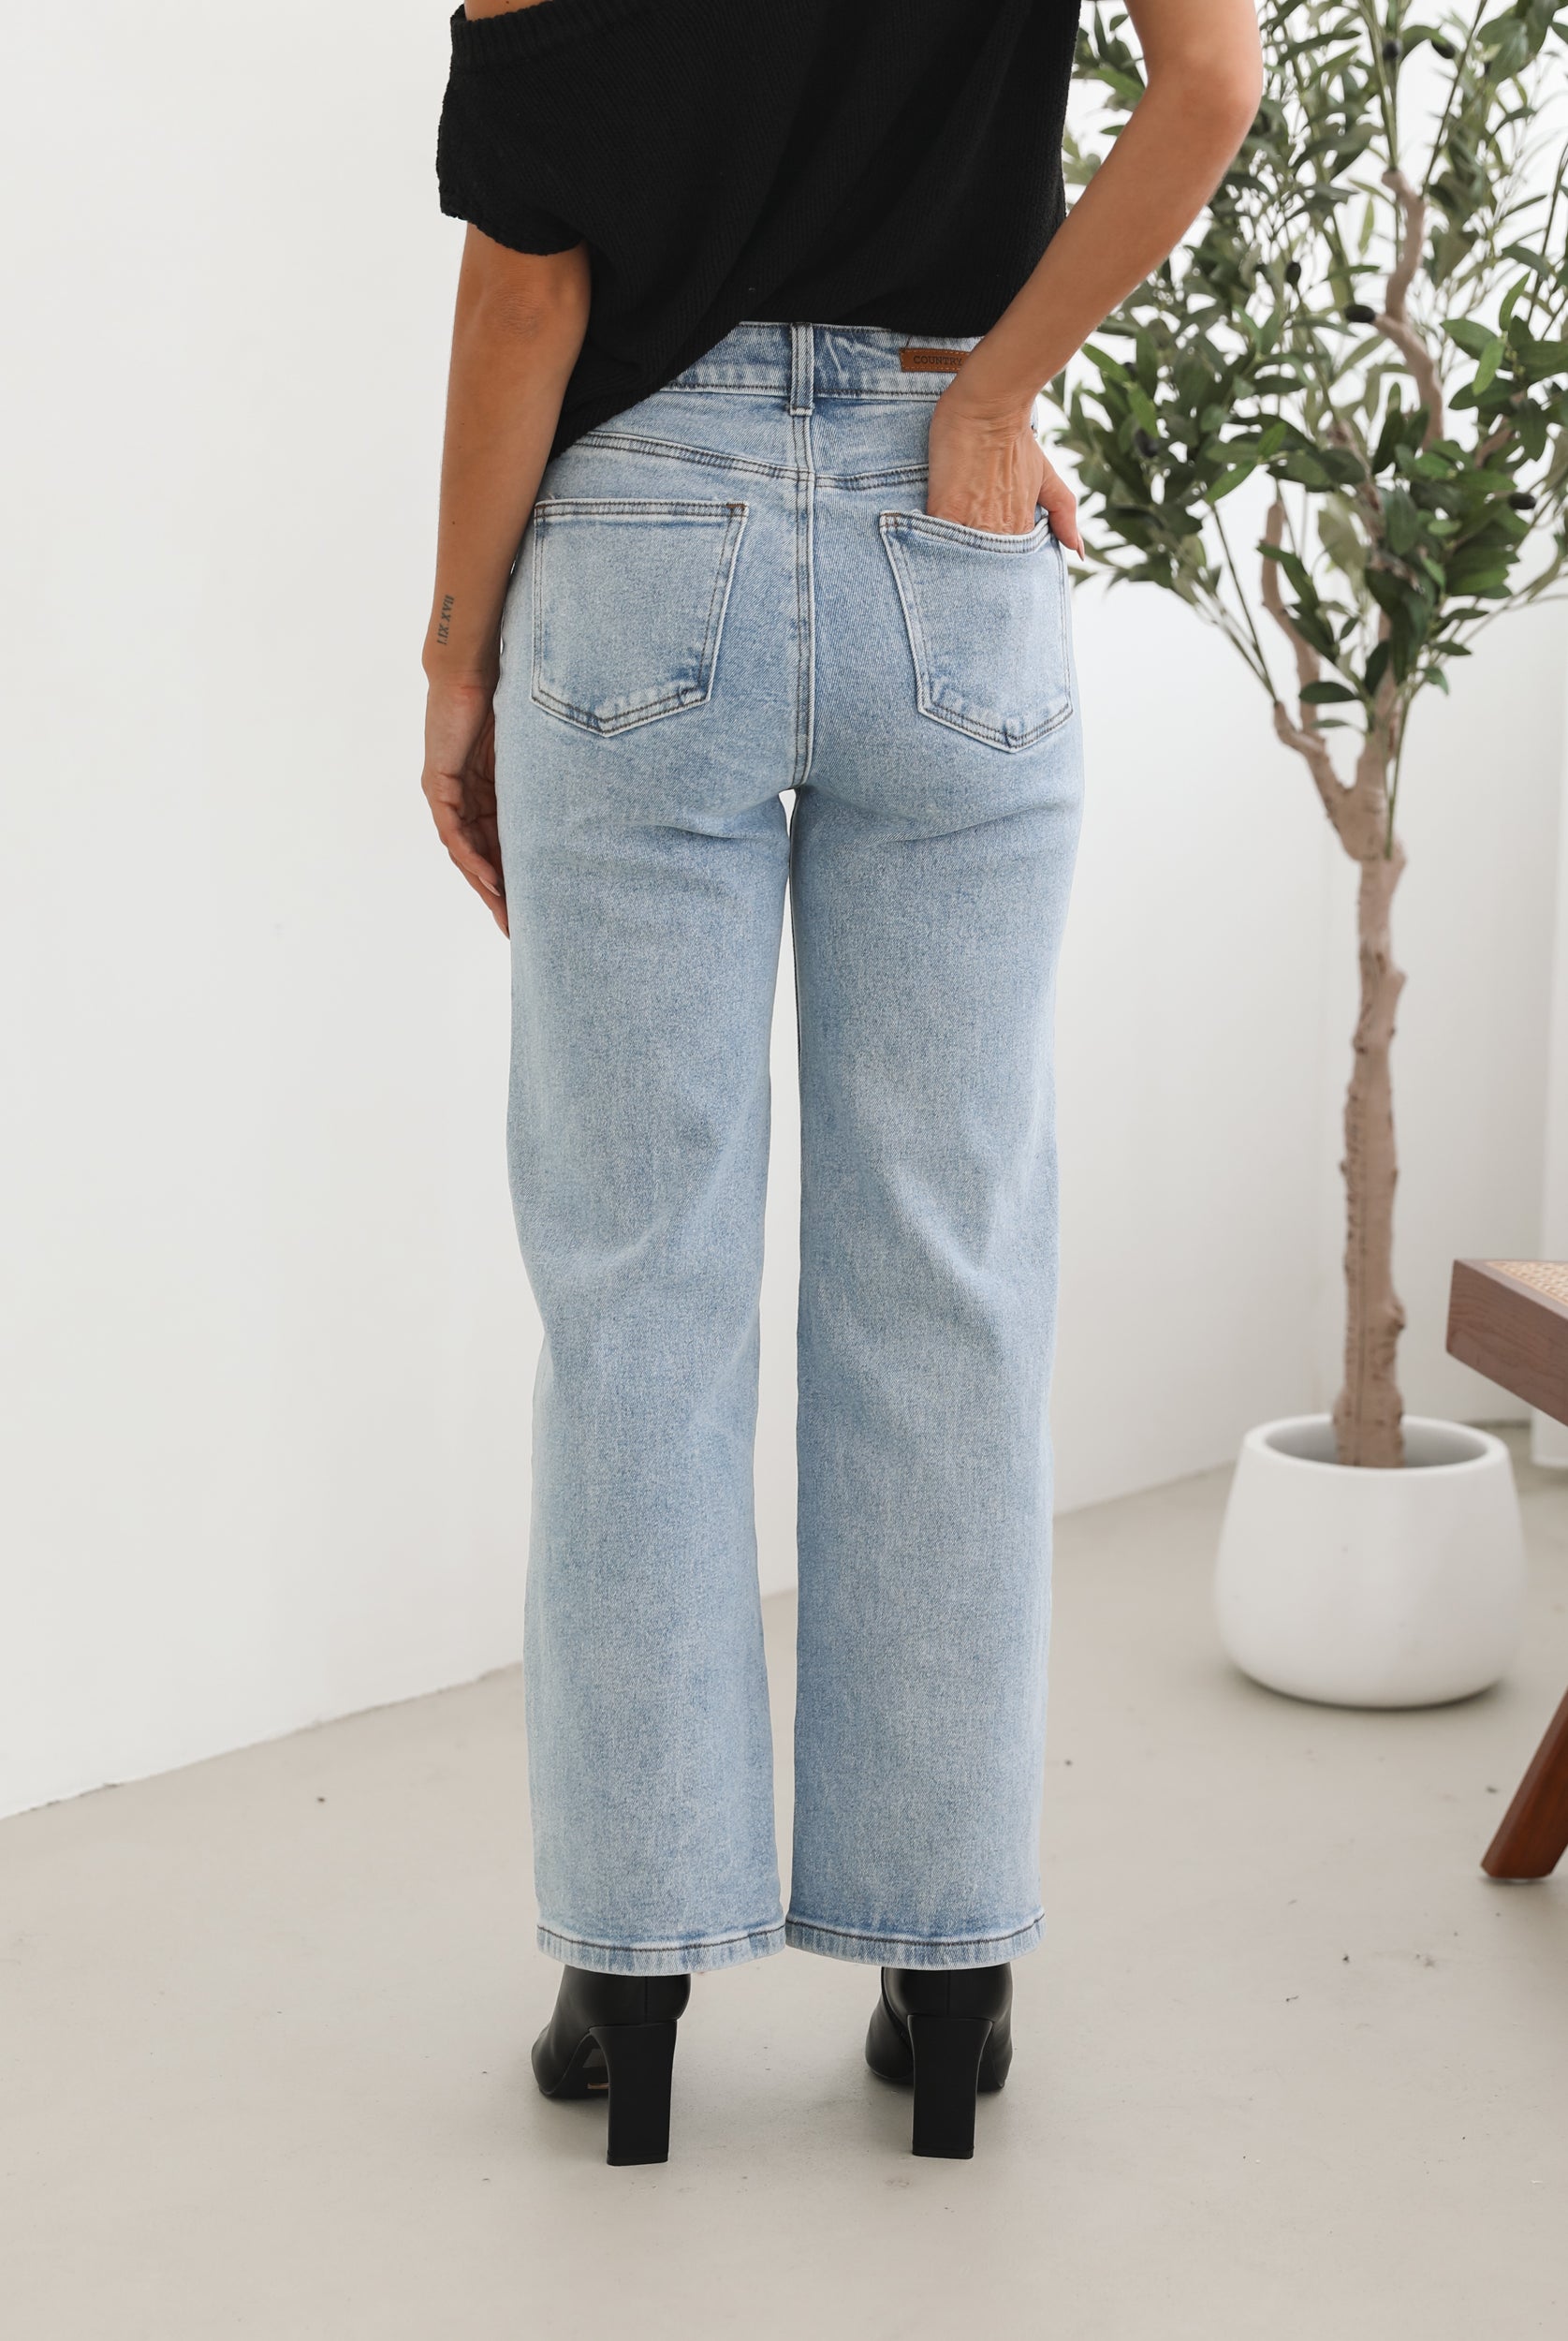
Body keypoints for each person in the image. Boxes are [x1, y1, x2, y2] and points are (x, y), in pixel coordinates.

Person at [422, 0, 1262, 2165]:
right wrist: (992, 388)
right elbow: (1213, 81)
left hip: (632, 550)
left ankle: (627, 1973)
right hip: (944, 524)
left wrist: (451, 659)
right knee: (948, 1269)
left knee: (636, 1292)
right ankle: (948, 1969)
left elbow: (531, 280)